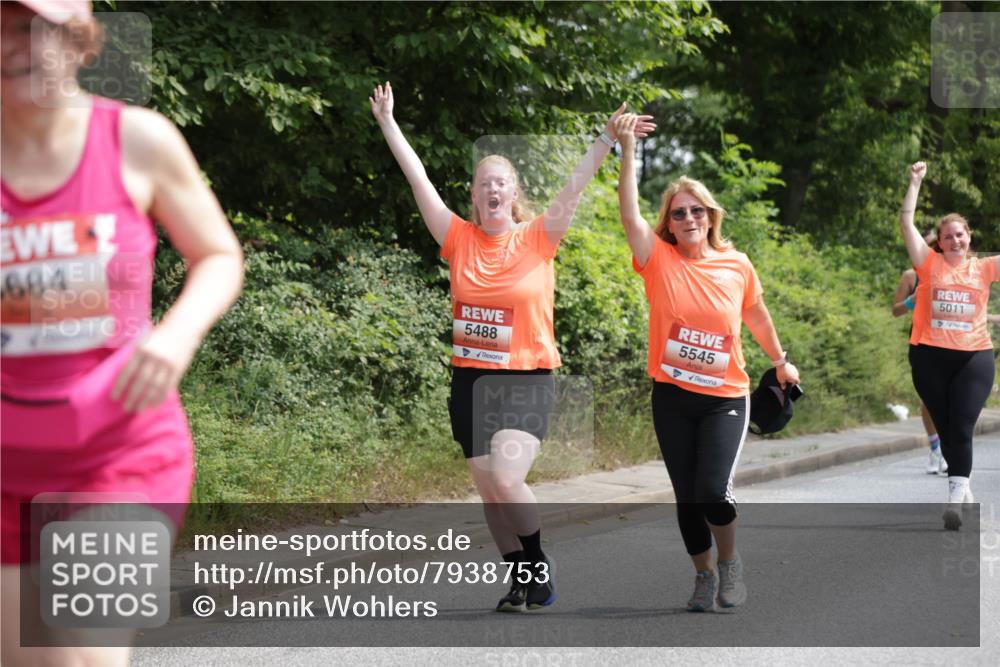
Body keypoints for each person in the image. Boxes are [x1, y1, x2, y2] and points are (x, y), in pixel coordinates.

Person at [1, 1, 244, 664]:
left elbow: (219, 256)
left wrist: (176, 333)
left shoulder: (137, 140)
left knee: (83, 653)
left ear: (79, 43)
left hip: (121, 453)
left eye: (31, 28)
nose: (12, 47)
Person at [371, 82, 653, 612]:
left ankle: (538, 565)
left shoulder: (539, 237)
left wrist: (606, 140)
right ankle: (522, 581)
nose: (491, 188)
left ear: (513, 192)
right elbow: (419, 180)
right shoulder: (456, 238)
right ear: (474, 196)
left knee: (506, 478)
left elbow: (576, 184)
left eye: (500, 181)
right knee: (490, 493)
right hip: (470, 381)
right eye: (483, 183)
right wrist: (388, 122)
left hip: (527, 377)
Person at [615, 113, 800, 612]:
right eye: (678, 213)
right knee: (686, 497)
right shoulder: (657, 260)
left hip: (724, 399)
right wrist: (628, 147)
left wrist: (780, 360)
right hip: (672, 397)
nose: (689, 219)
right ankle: (703, 575)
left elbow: (756, 314)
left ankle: (731, 564)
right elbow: (629, 215)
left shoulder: (736, 264)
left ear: (711, 216)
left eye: (697, 211)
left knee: (712, 490)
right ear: (668, 222)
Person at [899, 161, 997, 531]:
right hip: (928, 357)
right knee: (944, 424)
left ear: (970, 237)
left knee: (962, 426)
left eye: (961, 235)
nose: (955, 241)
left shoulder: (985, 269)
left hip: (974, 358)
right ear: (939, 242)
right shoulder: (928, 264)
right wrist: (915, 183)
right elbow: (907, 223)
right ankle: (964, 485)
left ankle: (955, 498)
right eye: (948, 237)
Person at [891, 232, 947, 475]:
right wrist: (912, 301)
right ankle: (936, 448)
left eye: (937, 246)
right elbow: (896, 310)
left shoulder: (954, 272)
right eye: (928, 245)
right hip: (923, 343)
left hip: (953, 342)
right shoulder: (910, 276)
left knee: (953, 399)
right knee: (929, 398)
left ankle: (950, 447)